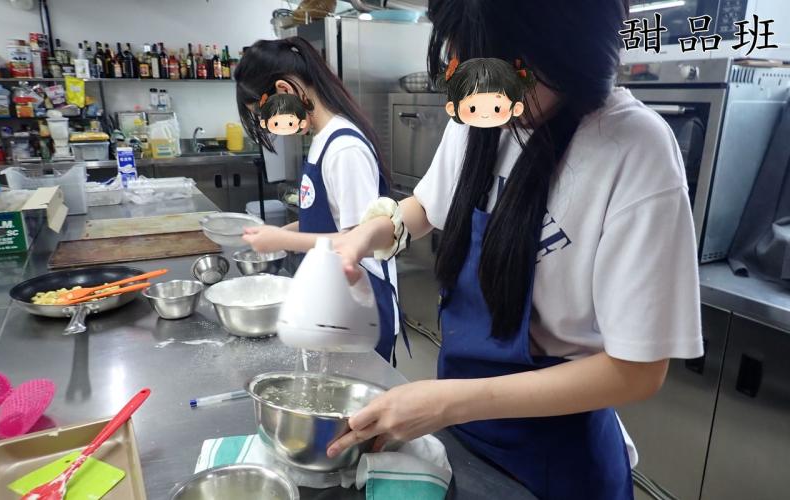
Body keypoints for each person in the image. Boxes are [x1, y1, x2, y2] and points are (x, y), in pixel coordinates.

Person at [325, 1, 704, 498]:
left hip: (556, 459)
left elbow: (638, 371)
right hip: (461, 430)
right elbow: (428, 206)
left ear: (567, 50)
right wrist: (374, 231)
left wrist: (447, 402)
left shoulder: (634, 149)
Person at [234, 37, 405, 363]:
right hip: (335, 303)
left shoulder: (344, 149)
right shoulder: (322, 140)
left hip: (362, 311)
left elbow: (360, 242)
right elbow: (327, 220)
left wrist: (283, 240)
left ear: (284, 90)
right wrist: (276, 234)